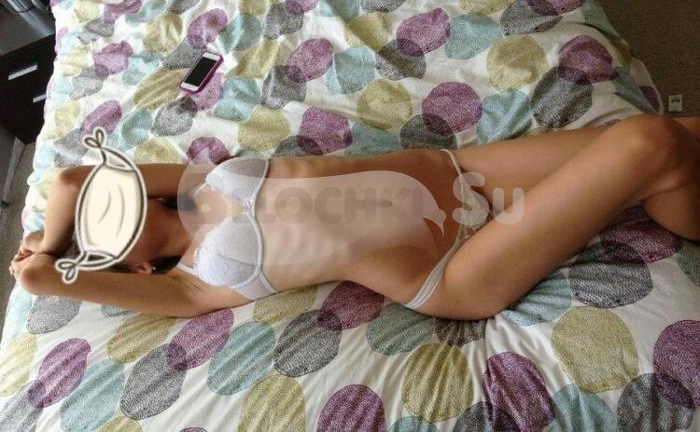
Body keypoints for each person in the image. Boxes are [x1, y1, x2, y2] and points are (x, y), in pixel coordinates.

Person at [9, 114, 700, 320]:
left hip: (459, 173)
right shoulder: (191, 282)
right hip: (455, 270)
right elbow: (42, 281)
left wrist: (54, 230)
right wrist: (48, 257)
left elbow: (69, 178)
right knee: (651, 144)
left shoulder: (192, 186)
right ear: (133, 266)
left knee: (679, 139)